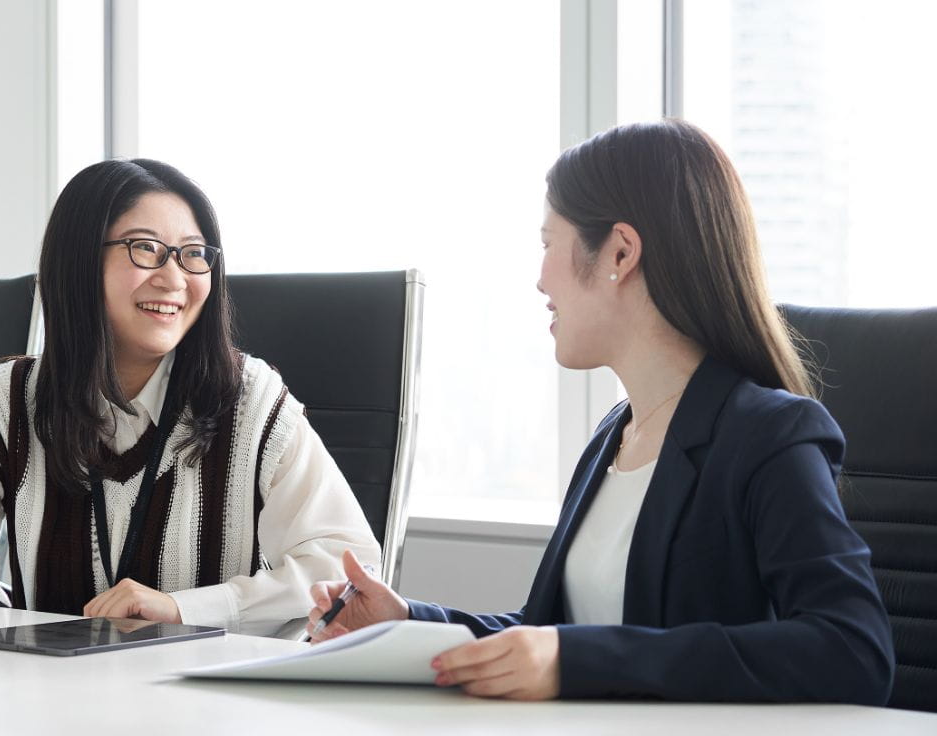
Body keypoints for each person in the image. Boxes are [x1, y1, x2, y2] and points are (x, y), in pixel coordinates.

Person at [307, 120, 894, 703]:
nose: (539, 279)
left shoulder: (768, 435)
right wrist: (408, 621)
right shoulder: (612, 437)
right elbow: (549, 634)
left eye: (546, 244)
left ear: (619, 251)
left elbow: (852, 648)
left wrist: (579, 660)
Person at [0, 158, 380, 637]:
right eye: (145, 248)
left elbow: (347, 564)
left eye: (193, 254)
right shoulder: (8, 399)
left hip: (202, 706)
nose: (174, 278)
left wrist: (185, 609)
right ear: (79, 262)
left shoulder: (250, 399)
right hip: (43, 700)